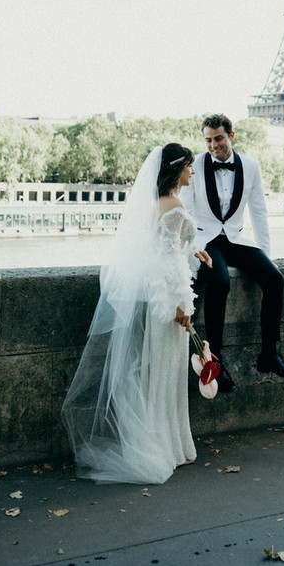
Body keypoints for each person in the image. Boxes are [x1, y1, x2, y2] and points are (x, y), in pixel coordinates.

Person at [61, 143, 211, 485]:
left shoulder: (155, 205)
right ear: (177, 169)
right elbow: (164, 262)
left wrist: (196, 253)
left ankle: (169, 446)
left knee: (159, 376)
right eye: (189, 166)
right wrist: (179, 306)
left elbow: (165, 253)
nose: (192, 171)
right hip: (169, 305)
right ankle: (167, 449)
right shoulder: (173, 205)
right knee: (165, 376)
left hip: (160, 302)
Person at [181, 114, 284, 392]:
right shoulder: (195, 166)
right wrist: (192, 249)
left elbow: (259, 213)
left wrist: (266, 255)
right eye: (208, 140)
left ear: (231, 136)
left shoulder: (250, 166)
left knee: (275, 279)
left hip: (236, 238)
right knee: (220, 281)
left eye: (219, 138)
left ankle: (269, 355)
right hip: (206, 239)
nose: (213, 145)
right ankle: (215, 364)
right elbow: (186, 213)